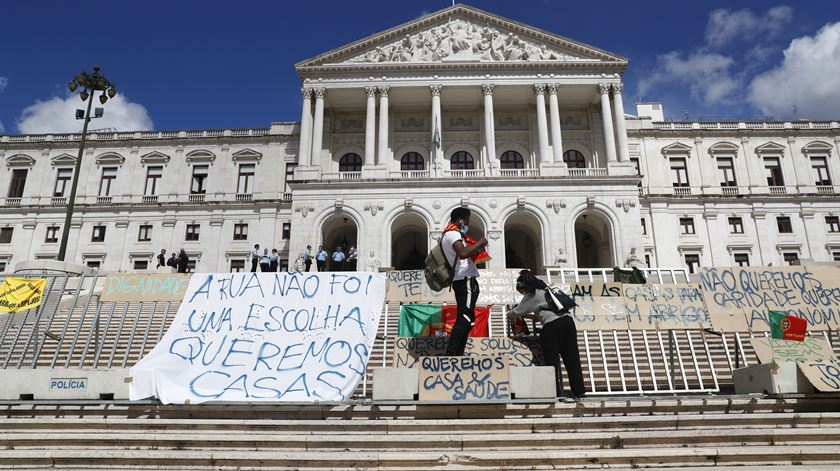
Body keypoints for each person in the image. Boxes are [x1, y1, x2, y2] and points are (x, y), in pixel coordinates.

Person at [508, 269, 585, 399]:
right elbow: (546, 312)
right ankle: (579, 391)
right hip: (567, 322)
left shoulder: (531, 295)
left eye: (521, 291)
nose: (522, 294)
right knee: (572, 359)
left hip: (552, 327)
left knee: (551, 361)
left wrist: (508, 313)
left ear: (524, 287)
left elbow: (515, 313)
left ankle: (554, 391)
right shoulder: (545, 289)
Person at [442, 207, 488, 356]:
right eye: (467, 220)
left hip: (462, 279)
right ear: (461, 219)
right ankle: (452, 353)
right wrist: (480, 241)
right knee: (465, 317)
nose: (468, 223)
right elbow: (462, 254)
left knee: (469, 319)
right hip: (465, 280)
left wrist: (477, 248)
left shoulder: (447, 235)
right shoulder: (453, 234)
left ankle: (458, 353)